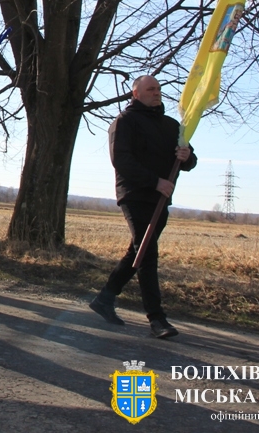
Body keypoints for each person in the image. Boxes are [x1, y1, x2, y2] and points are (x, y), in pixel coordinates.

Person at [89, 75, 197, 339]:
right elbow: (122, 161)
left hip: (160, 198)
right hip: (136, 194)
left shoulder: (173, 126)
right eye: (150, 89)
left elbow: (189, 159)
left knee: (137, 251)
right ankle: (156, 318)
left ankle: (105, 298)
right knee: (147, 253)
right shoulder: (124, 122)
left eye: (159, 89)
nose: (156, 93)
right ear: (135, 93)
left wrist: (187, 156)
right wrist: (155, 181)